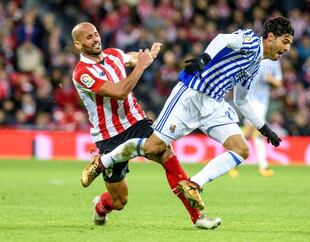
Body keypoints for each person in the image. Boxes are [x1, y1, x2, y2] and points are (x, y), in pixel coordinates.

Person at [82, 17, 294, 211]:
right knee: (153, 147)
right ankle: (105, 160)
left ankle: (194, 184)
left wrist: (264, 128)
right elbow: (224, 38)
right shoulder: (251, 40)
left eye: (290, 43)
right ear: (271, 37)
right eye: (285, 41)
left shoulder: (255, 65)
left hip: (214, 104)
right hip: (191, 95)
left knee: (241, 150)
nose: (287, 48)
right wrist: (205, 57)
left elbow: (241, 99)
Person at [72, 22, 221, 229]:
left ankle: (198, 217)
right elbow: (119, 91)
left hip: (137, 121)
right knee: (119, 201)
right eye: (88, 37)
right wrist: (142, 64)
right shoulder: (82, 73)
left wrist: (147, 55)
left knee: (166, 154)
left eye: (96, 34)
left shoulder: (113, 54)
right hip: (109, 135)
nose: (95, 38)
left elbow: (132, 57)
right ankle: (100, 206)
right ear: (78, 45)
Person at [228, 59, 283, 178]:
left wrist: (271, 80)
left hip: (262, 101)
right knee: (252, 130)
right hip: (248, 99)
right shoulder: (253, 54)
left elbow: (278, 83)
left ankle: (235, 163)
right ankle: (262, 166)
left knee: (254, 133)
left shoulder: (274, 61)